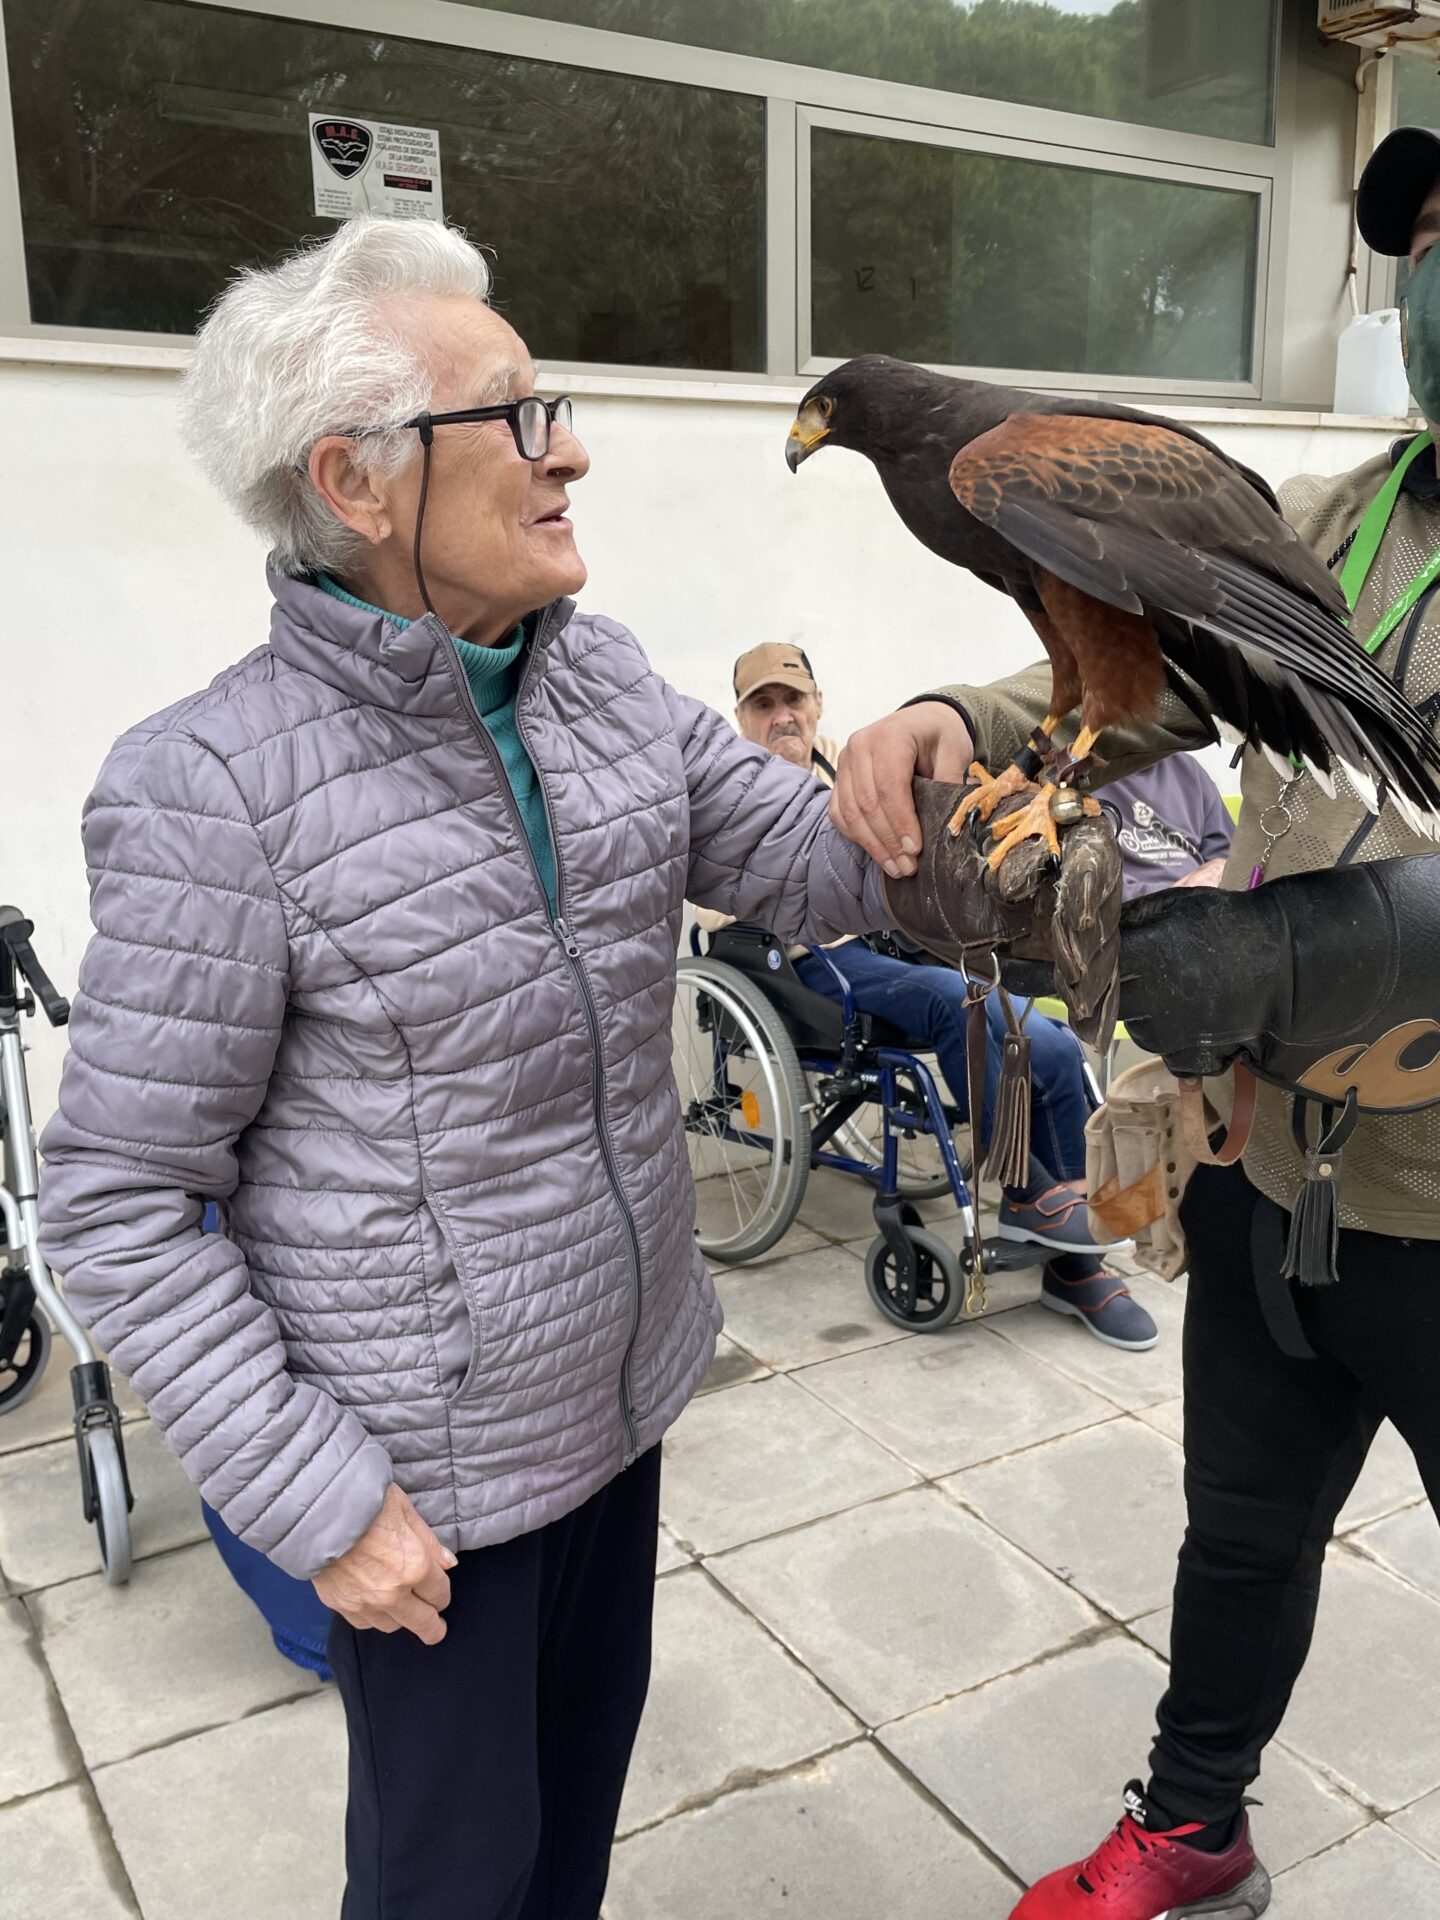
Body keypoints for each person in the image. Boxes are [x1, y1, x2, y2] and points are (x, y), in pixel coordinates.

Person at [35, 215, 891, 1920]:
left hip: (620, 1407)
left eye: (547, 402)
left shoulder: (607, 688)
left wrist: (957, 748)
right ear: (355, 484)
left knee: (567, 1845)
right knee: (451, 1882)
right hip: (418, 1497)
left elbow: (831, 870)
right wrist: (314, 1496)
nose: (568, 448)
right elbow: (119, 1204)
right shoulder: (210, 789)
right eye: (510, 414)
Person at [824, 125, 1440, 1920]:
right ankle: (1194, 1837)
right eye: (1426, 239)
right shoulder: (1362, 513)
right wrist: (965, 717)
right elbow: (1154, 661)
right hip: (1271, 1157)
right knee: (1240, 1538)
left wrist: (1327, 946)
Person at [701, 642, 1157, 1353]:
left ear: (817, 704)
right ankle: (1026, 1187)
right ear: (741, 718)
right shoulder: (721, 784)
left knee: (1048, 1035)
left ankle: (1078, 1259)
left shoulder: (842, 762)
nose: (782, 716)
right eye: (763, 705)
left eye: (793, 700)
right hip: (799, 965)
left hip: (889, 942)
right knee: (955, 1002)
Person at [1100, 757, 1235, 899]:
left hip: (1203, 905)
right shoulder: (1082, 776)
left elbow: (1231, 856)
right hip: (1130, 912)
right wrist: (1175, 896)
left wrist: (1221, 868)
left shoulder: (1188, 769)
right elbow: (1089, 888)